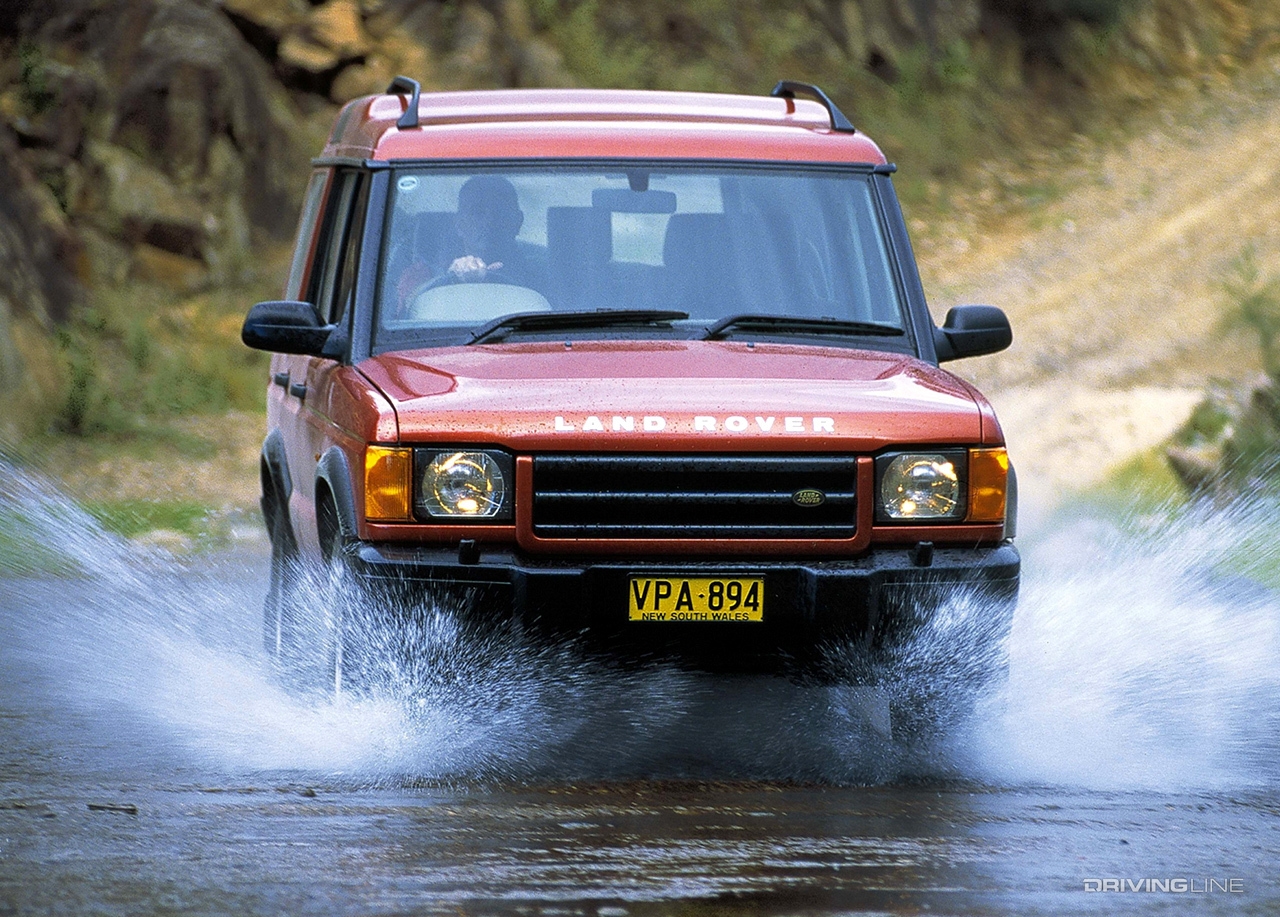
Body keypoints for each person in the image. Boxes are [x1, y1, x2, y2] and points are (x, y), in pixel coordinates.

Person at [445, 174, 531, 283]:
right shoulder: (434, 276)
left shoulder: (545, 277)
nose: (489, 222)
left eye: (499, 212)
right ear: (459, 224)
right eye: (477, 212)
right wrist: (452, 280)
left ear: (518, 221)